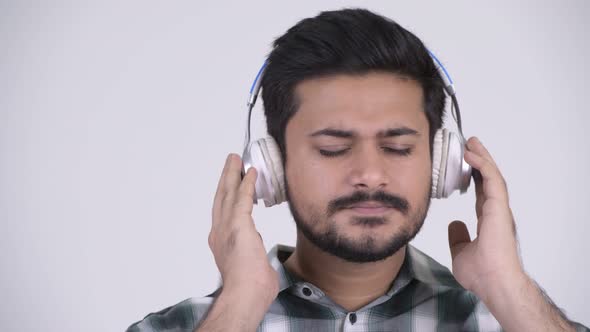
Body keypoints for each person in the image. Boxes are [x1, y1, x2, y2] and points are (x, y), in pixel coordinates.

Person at [127, 8, 588, 332]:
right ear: (271, 167)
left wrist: (508, 289)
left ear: (442, 163)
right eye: (332, 148)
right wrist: (241, 305)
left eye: (398, 146)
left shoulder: (510, 321)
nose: (370, 174)